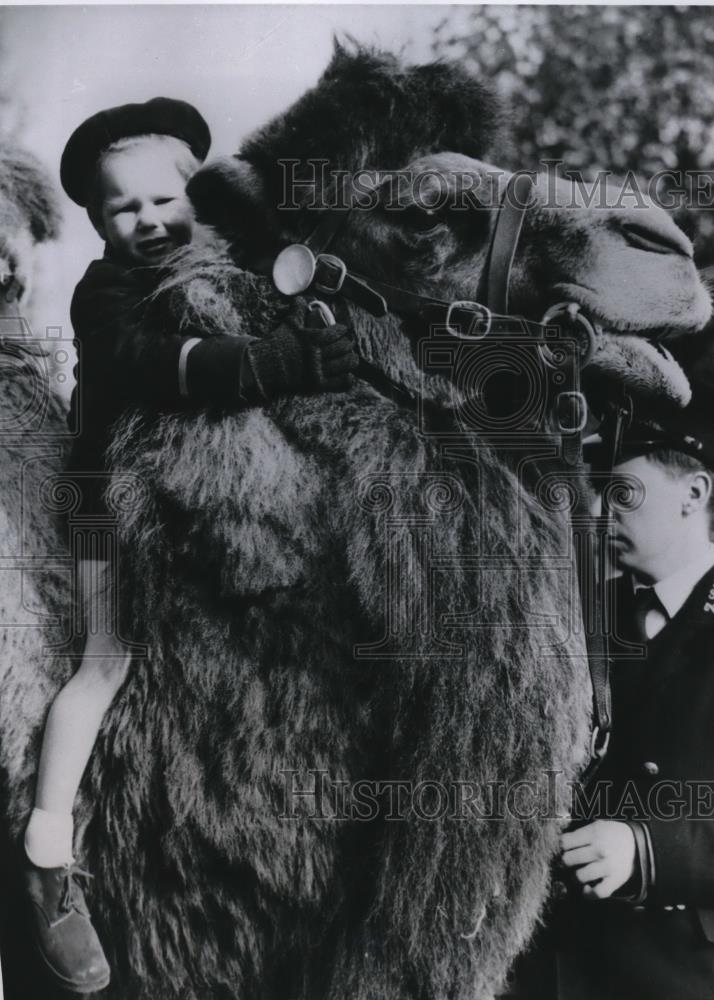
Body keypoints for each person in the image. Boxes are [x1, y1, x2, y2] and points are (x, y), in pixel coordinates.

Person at [23, 97, 357, 994]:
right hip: (112, 502)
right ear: (98, 223)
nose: (149, 220)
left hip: (197, 514)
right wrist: (261, 365)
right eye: (124, 209)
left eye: (165, 199)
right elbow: (146, 362)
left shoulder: (232, 264)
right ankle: (51, 853)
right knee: (105, 660)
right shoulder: (107, 293)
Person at [516, 382, 714, 1000]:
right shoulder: (575, 616)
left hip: (689, 975)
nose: (599, 513)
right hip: (560, 967)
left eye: (621, 492)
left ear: (694, 493)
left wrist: (645, 849)